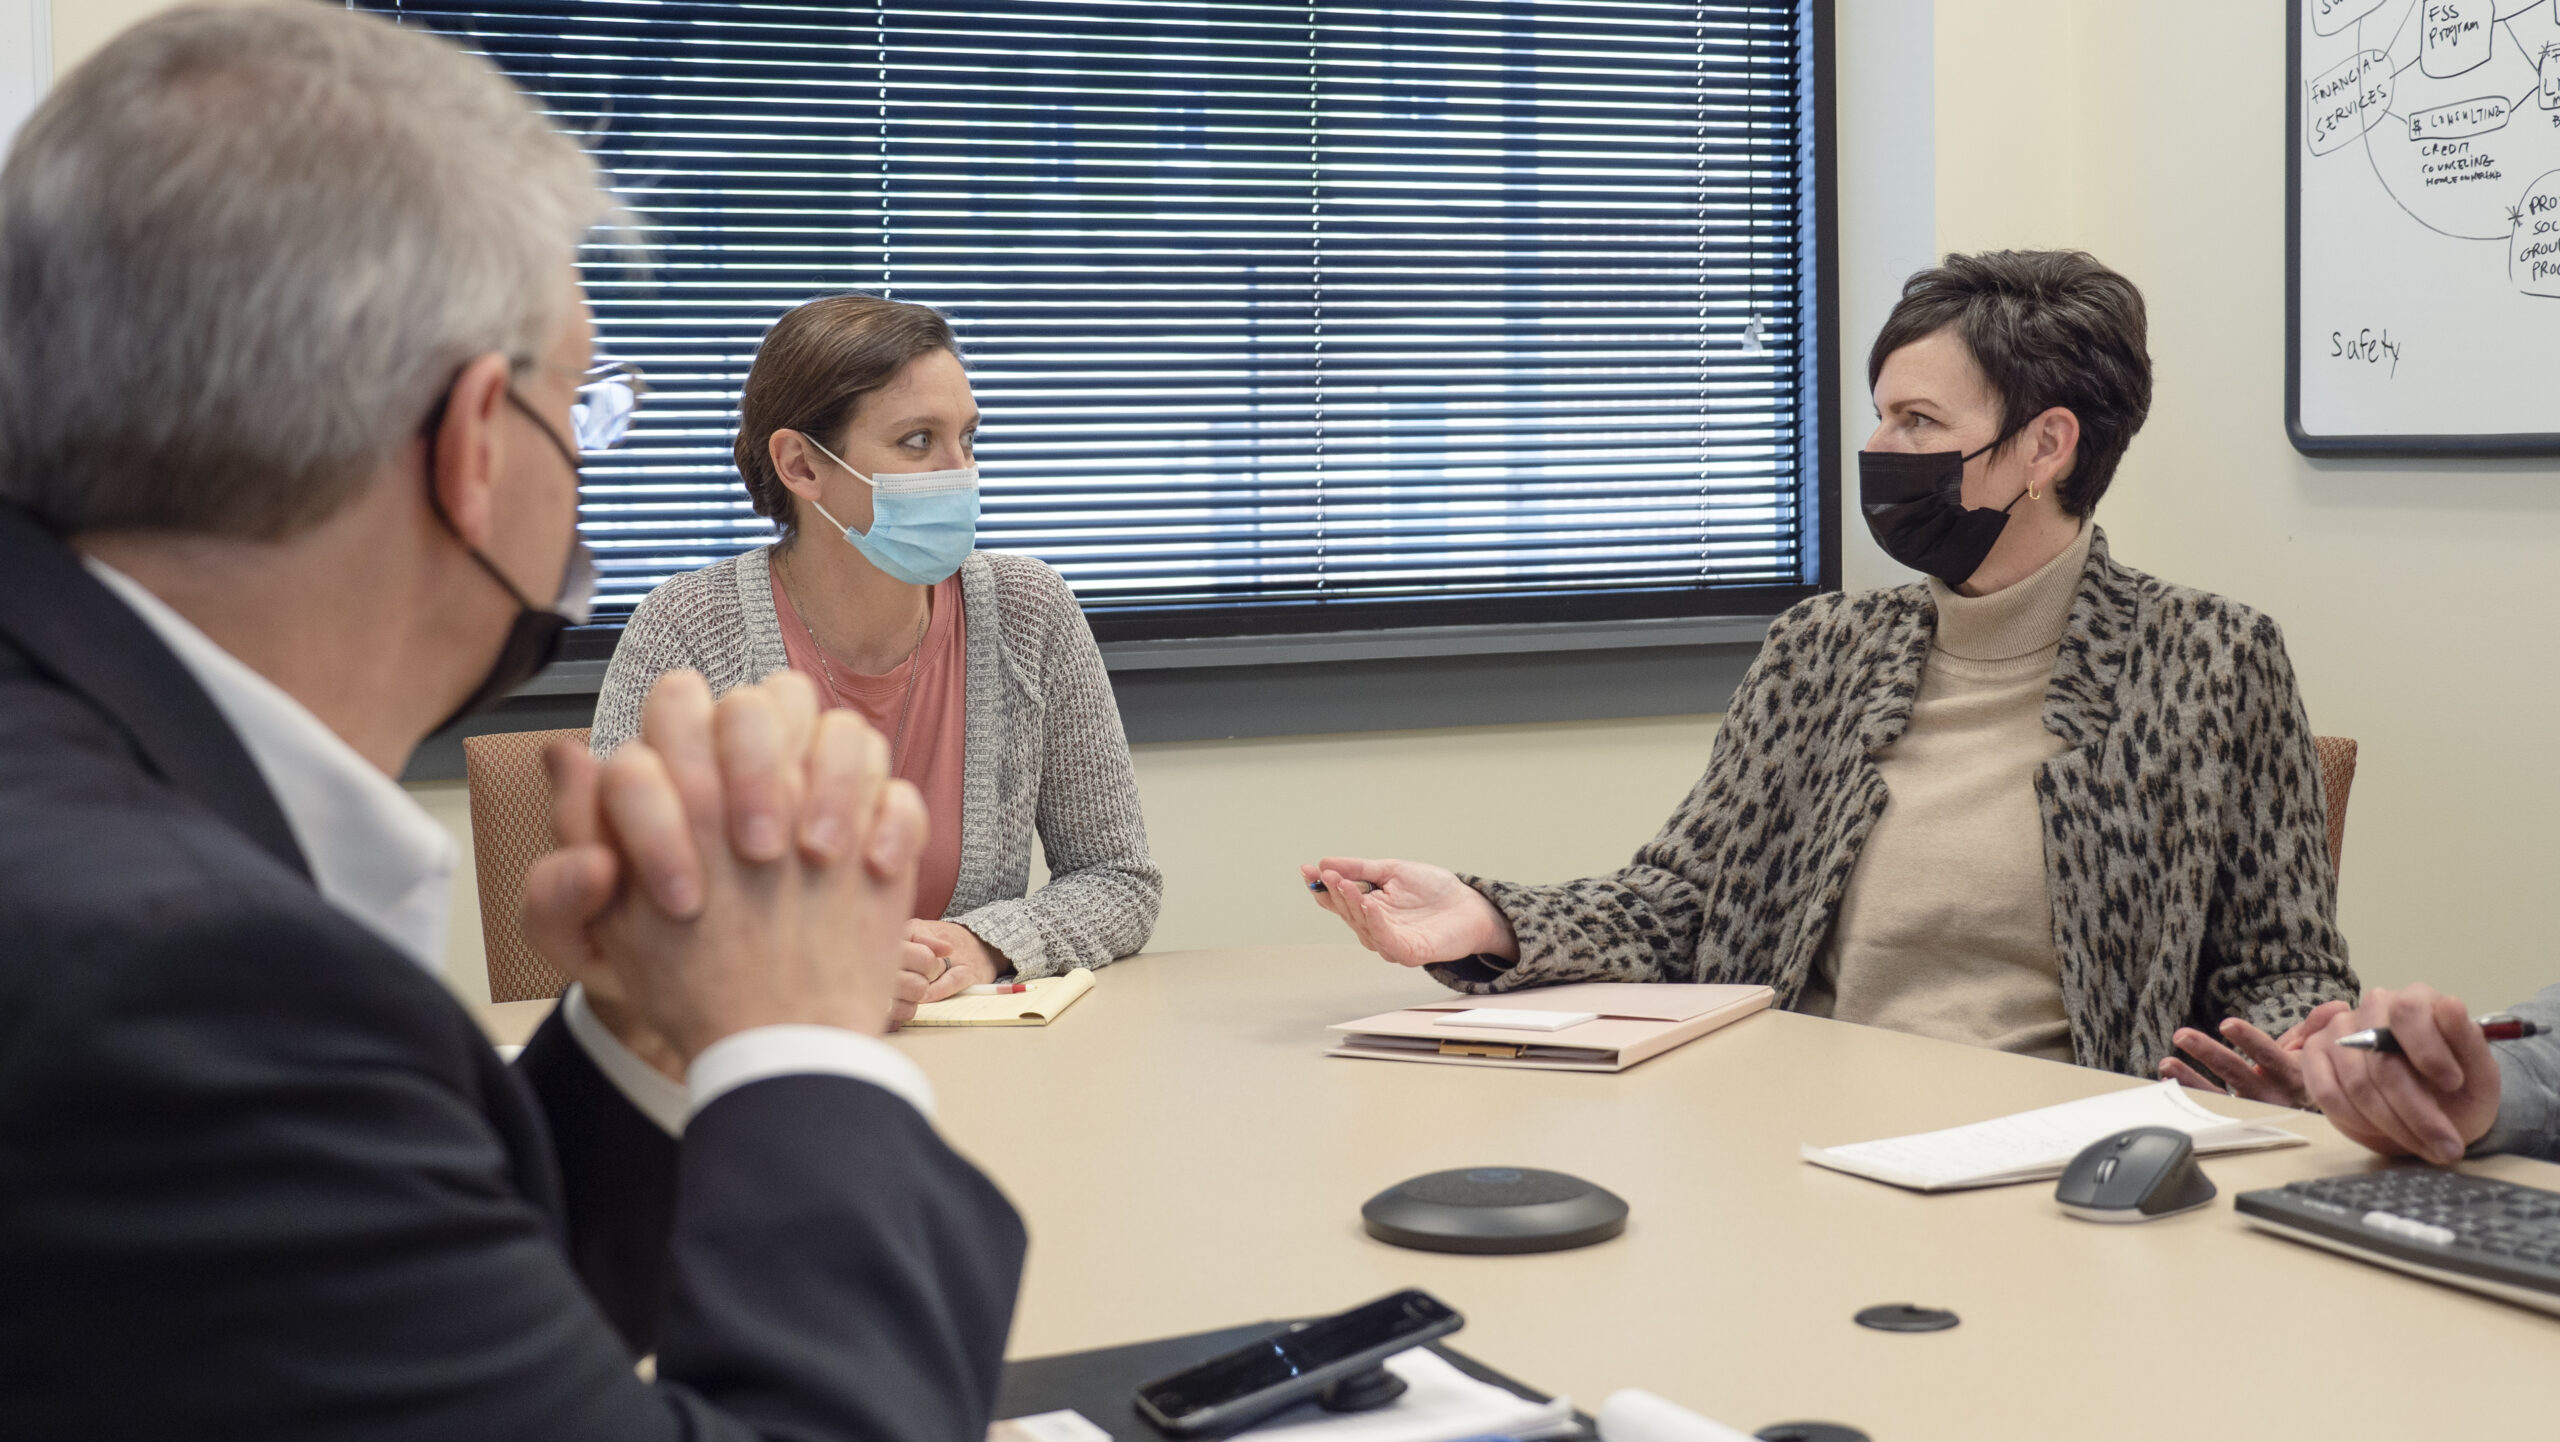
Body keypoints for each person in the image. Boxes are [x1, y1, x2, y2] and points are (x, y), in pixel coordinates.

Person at [0, 6, 1020, 1438]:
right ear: (479, 446)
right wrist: (802, 1033)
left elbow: (409, 1328)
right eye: (582, 412)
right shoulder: (180, 981)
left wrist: (651, 1025)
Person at [1303, 250, 2359, 1085]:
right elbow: (1680, 903)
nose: (1878, 445)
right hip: (1786, 1126)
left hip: (2057, 1158)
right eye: (1881, 411)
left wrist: (2288, 1058)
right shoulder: (1820, 649)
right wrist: (1492, 917)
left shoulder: (2211, 658)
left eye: (1918, 421)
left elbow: (2286, 970)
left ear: (2045, 449)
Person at [595, 293, 1160, 1000]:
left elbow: (1118, 880)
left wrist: (985, 943)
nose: (962, 472)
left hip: (981, 1062)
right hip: (763, 1062)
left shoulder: (1028, 609)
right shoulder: (687, 629)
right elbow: (616, 909)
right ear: (801, 465)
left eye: (969, 438)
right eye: (918, 441)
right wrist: (810, 965)